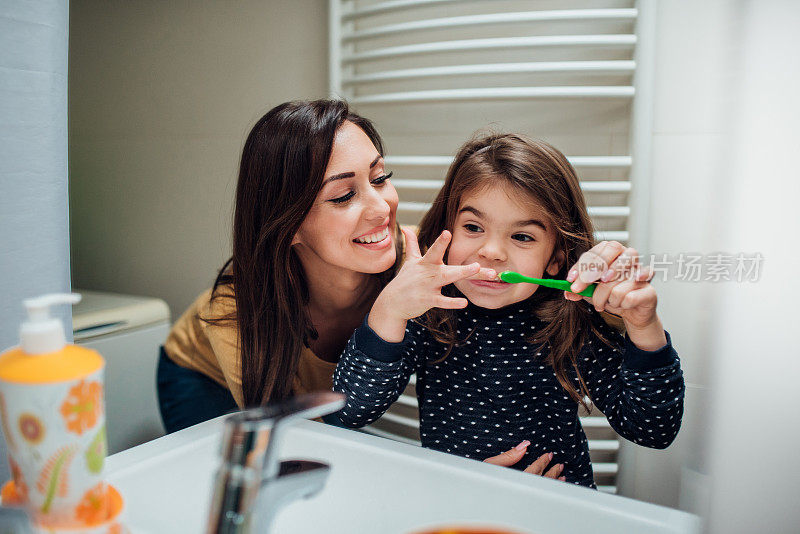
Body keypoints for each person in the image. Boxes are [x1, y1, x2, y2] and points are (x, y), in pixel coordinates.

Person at [333, 133, 685, 488]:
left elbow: (653, 430)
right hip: (459, 507)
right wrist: (390, 310)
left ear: (555, 260)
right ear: (447, 229)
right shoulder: (428, 311)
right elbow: (347, 411)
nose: (492, 251)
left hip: (559, 509)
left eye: (523, 237)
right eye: (473, 227)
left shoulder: (570, 319)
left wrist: (644, 325)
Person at [157, 99, 409, 433]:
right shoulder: (234, 312)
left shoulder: (415, 263)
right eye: (342, 196)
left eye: (380, 178)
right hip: (201, 377)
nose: (381, 208)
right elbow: (298, 439)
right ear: (286, 224)